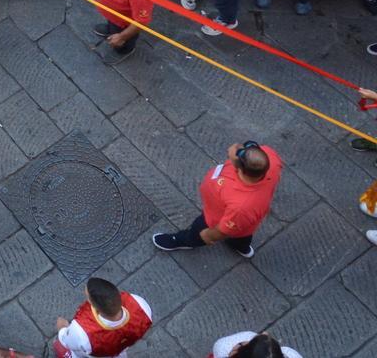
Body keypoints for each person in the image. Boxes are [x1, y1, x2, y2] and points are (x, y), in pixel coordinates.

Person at [153, 140, 283, 257]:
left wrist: (208, 235)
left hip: (214, 219)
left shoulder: (241, 207)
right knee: (242, 235)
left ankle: (184, 241)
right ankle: (241, 246)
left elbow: (222, 230)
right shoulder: (269, 157)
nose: (237, 146)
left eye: (239, 151)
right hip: (243, 225)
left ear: (240, 168)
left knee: (197, 234)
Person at [52, 277, 152, 358]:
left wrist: (62, 329)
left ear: (94, 306)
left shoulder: (81, 332)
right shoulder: (141, 306)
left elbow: (67, 342)